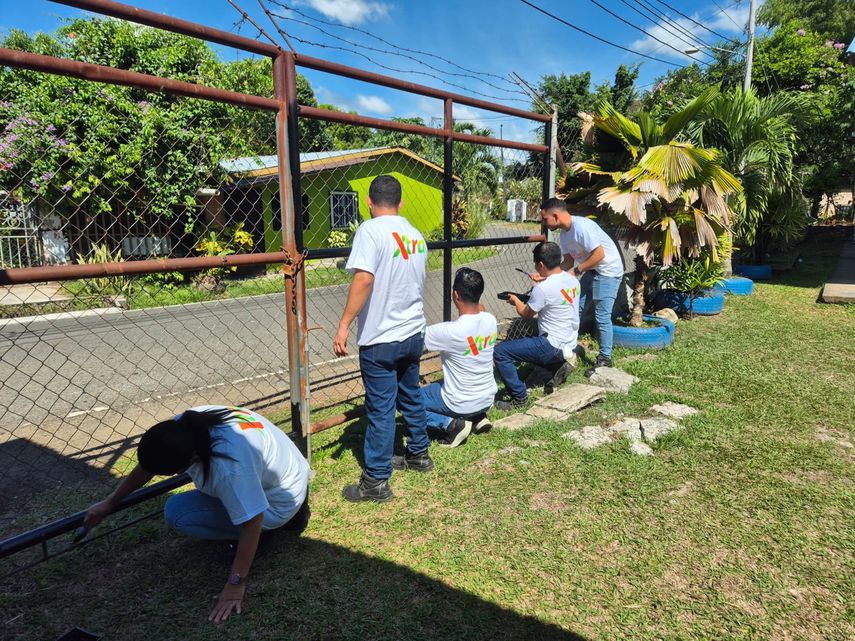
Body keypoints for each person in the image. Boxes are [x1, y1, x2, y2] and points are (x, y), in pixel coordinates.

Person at [83, 405, 310, 624]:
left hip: (276, 502)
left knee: (179, 513)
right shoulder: (187, 423)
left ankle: (271, 531)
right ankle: (291, 514)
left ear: (190, 461)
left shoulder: (227, 469)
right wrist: (111, 503)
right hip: (291, 473)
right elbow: (148, 465)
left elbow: (253, 521)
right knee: (228, 500)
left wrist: (235, 584)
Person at [333, 175, 429, 503]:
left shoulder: (369, 230)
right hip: (413, 332)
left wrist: (344, 324)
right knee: (411, 395)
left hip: (381, 339)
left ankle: (375, 480)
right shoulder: (415, 235)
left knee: (382, 408)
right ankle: (419, 454)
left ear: (369, 203)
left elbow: (364, 278)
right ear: (401, 203)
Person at [539, 198, 624, 371]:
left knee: (601, 316)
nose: (544, 223)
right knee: (575, 308)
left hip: (608, 271)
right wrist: (547, 274)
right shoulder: (564, 234)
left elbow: (599, 254)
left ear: (555, 215)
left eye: (545, 219)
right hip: (591, 270)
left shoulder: (582, 227)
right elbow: (568, 262)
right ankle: (565, 350)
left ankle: (605, 358)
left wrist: (578, 271)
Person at [494, 241, 580, 410]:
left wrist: (515, 300)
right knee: (532, 349)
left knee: (500, 352)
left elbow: (525, 314)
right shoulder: (573, 281)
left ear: (540, 264)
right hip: (570, 342)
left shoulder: (543, 289)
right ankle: (558, 365)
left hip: (551, 344)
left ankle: (519, 397)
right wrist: (540, 282)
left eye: (536, 265)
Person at [421, 267, 497, 448]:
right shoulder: (490, 320)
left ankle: (452, 425)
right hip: (487, 398)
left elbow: (414, 341)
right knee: (440, 384)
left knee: (404, 398)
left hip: (459, 402)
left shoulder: (448, 331)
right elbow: (482, 309)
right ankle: (478, 417)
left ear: (456, 295)